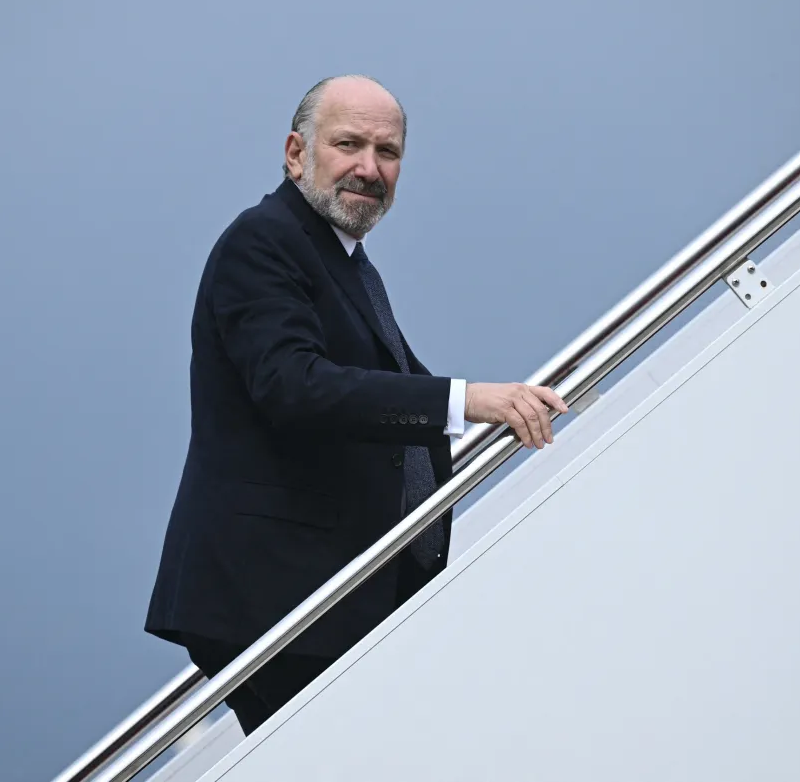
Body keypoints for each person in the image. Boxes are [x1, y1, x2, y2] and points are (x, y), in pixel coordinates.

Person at [144, 75, 568, 735]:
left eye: (388, 152)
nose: (370, 169)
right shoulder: (264, 242)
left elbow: (385, 384)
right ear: (295, 153)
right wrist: (467, 400)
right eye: (348, 144)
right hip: (278, 598)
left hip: (323, 597)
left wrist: (528, 404)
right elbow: (295, 387)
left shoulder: (345, 262)